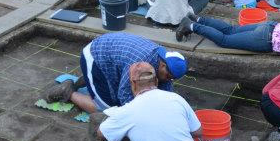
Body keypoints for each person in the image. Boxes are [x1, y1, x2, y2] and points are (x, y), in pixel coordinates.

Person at [44, 33, 189, 114]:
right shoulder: (139, 63)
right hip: (95, 56)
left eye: (172, 78)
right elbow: (125, 95)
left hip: (113, 61)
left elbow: (166, 90)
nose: (169, 79)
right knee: (109, 110)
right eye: (168, 76)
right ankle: (67, 92)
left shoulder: (164, 64)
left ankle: (91, 81)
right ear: (162, 64)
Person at [177, 14, 280, 63]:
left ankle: (198, 19)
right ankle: (191, 26)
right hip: (265, 40)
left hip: (271, 26)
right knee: (224, 40)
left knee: (231, 29)